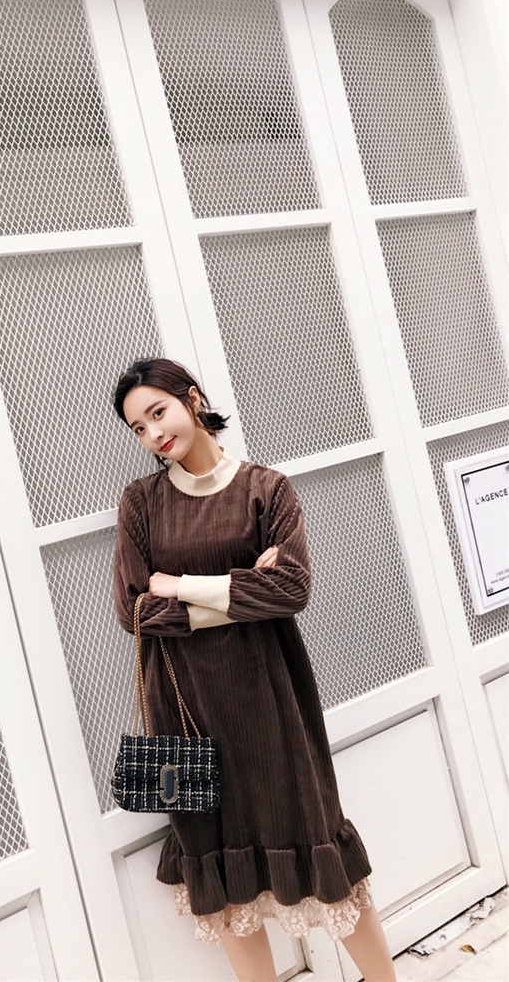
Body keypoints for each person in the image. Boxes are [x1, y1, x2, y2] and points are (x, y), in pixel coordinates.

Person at [112, 358, 396, 982]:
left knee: (318, 838)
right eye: (138, 427)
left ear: (192, 400)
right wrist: (242, 588)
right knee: (213, 860)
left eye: (158, 412)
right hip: (184, 711)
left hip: (270, 701)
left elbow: (291, 590)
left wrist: (181, 584)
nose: (153, 434)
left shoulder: (267, 489)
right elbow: (135, 610)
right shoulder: (141, 503)